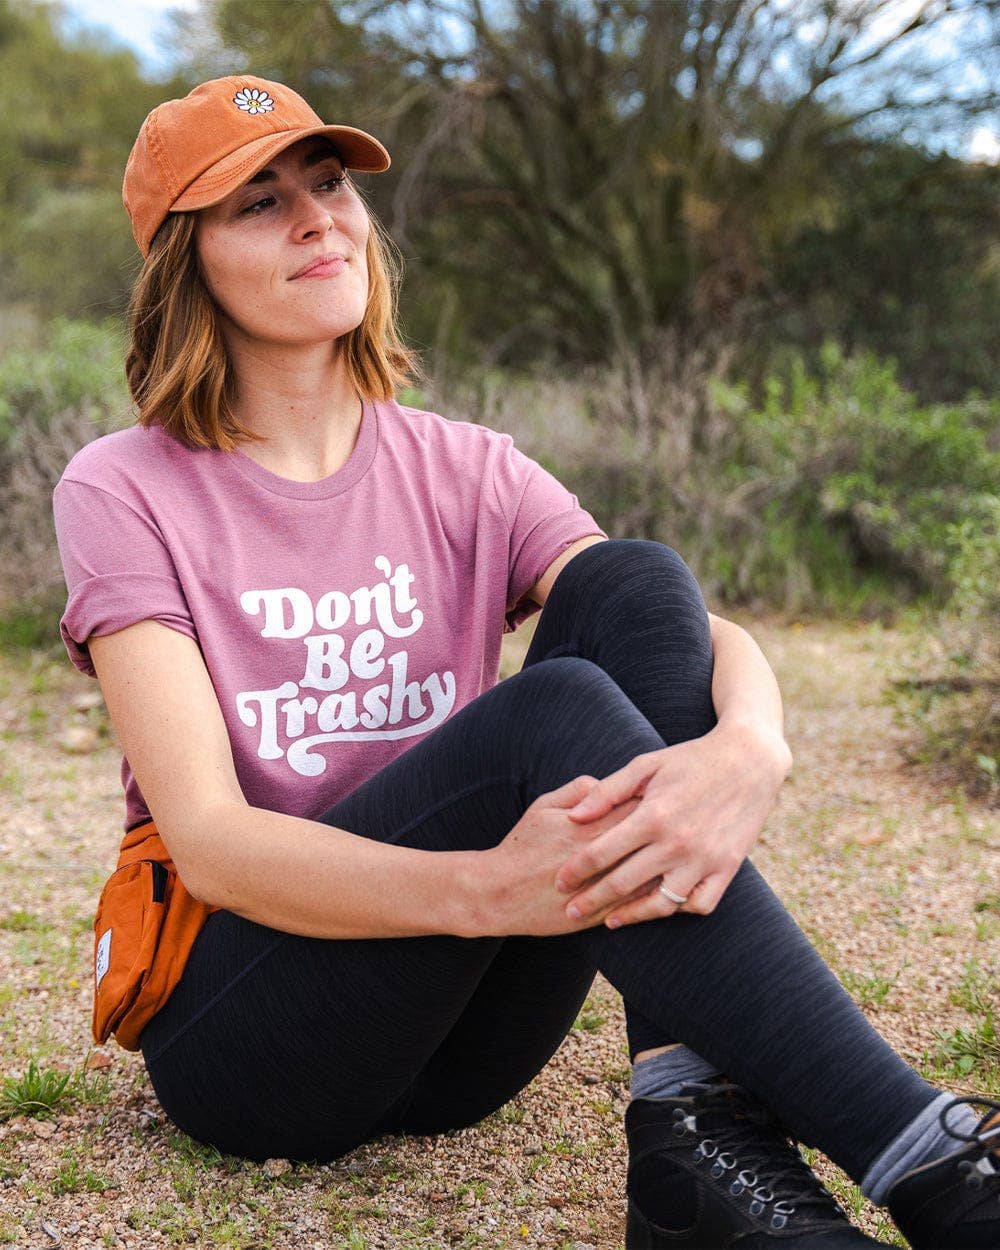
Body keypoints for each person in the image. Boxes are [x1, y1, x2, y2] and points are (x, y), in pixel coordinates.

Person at [51, 75, 998, 1250]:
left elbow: (684, 631)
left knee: (636, 579)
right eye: (257, 202)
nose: (317, 220)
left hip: (461, 1041)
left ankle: (686, 1119)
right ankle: (935, 1163)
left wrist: (752, 741)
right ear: (185, 267)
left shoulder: (463, 464)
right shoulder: (125, 485)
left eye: (329, 184)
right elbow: (211, 840)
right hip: (257, 1038)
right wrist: (494, 888)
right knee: (549, 714)